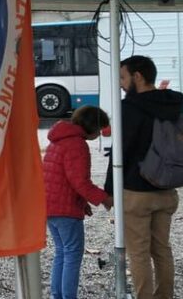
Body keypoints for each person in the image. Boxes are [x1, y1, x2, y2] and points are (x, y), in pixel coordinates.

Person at [105, 55, 183, 299]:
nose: (120, 84)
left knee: (139, 253)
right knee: (162, 250)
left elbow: (121, 152)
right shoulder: (173, 104)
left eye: (122, 77)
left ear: (137, 76)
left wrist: (109, 190)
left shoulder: (129, 108)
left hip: (136, 192)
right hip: (167, 190)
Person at [43, 106, 113, 299]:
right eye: (99, 129)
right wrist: (104, 198)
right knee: (72, 254)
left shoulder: (58, 139)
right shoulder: (77, 145)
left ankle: (57, 295)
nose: (100, 134)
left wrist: (83, 203)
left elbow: (64, 178)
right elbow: (80, 182)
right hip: (66, 210)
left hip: (50, 206)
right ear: (92, 126)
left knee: (61, 253)